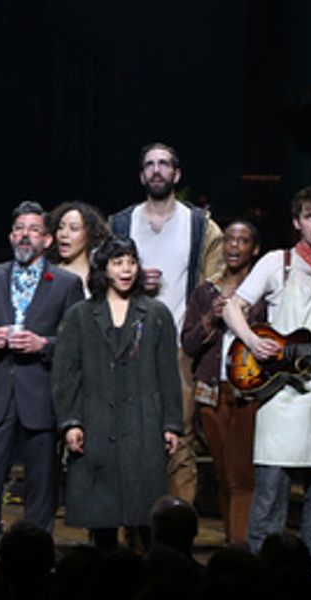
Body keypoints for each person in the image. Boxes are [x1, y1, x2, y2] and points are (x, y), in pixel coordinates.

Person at [223, 186, 311, 580]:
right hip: (282, 393)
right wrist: (253, 340)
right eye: (309, 215)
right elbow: (233, 306)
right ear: (296, 222)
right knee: (269, 499)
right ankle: (260, 585)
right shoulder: (276, 262)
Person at [0, 201, 84, 575]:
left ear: (47, 239)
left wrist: (42, 344)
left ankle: (36, 561)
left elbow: (78, 344)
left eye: (33, 229)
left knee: (41, 485)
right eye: (19, 229)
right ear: (11, 236)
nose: (25, 235)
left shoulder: (66, 283)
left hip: (41, 396)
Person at [109, 143, 224, 505]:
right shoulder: (121, 223)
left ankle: (177, 533)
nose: (156, 170)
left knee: (180, 437)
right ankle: (134, 532)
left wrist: (199, 330)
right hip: (130, 344)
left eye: (164, 164)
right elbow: (100, 277)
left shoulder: (199, 225)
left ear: (177, 174)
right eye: (149, 165)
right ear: (142, 175)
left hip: (179, 347)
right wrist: (132, 279)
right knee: (129, 435)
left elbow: (216, 280)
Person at [53, 236, 182, 552]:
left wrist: (171, 424)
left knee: (148, 515)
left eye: (131, 262)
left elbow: (169, 373)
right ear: (104, 268)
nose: (126, 270)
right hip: (97, 424)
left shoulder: (155, 313)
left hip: (143, 424)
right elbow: (66, 375)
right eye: (117, 262)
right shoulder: (80, 315)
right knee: (103, 519)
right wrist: (71, 422)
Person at [180, 220, 263, 544]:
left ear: (254, 249)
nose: (232, 247)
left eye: (242, 241)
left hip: (247, 391)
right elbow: (188, 344)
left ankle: (241, 547)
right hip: (212, 392)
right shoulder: (206, 291)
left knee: (242, 475)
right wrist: (209, 319)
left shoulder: (262, 290)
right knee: (222, 473)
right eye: (229, 240)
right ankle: (233, 541)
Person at [46, 201, 110, 298]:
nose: (64, 234)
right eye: (61, 227)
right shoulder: (48, 274)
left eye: (74, 228)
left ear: (89, 233)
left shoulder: (102, 277)